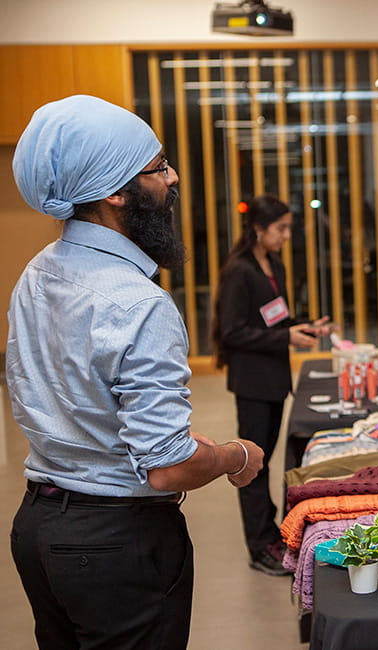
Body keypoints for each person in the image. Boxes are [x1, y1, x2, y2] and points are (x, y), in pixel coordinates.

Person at [7, 94, 264, 649]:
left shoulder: (37, 272)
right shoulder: (138, 302)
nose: (172, 178)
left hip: (39, 527)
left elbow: (68, 395)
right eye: (158, 167)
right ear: (115, 193)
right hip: (115, 544)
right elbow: (168, 469)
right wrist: (233, 456)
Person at [212, 194, 331, 576]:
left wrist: (305, 326)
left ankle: (273, 534)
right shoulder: (240, 270)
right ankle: (259, 545)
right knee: (253, 464)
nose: (285, 236)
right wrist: (287, 339)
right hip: (252, 381)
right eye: (280, 229)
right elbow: (233, 332)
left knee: (267, 459)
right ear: (259, 229)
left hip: (275, 378)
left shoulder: (272, 265)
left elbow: (273, 319)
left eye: (288, 228)